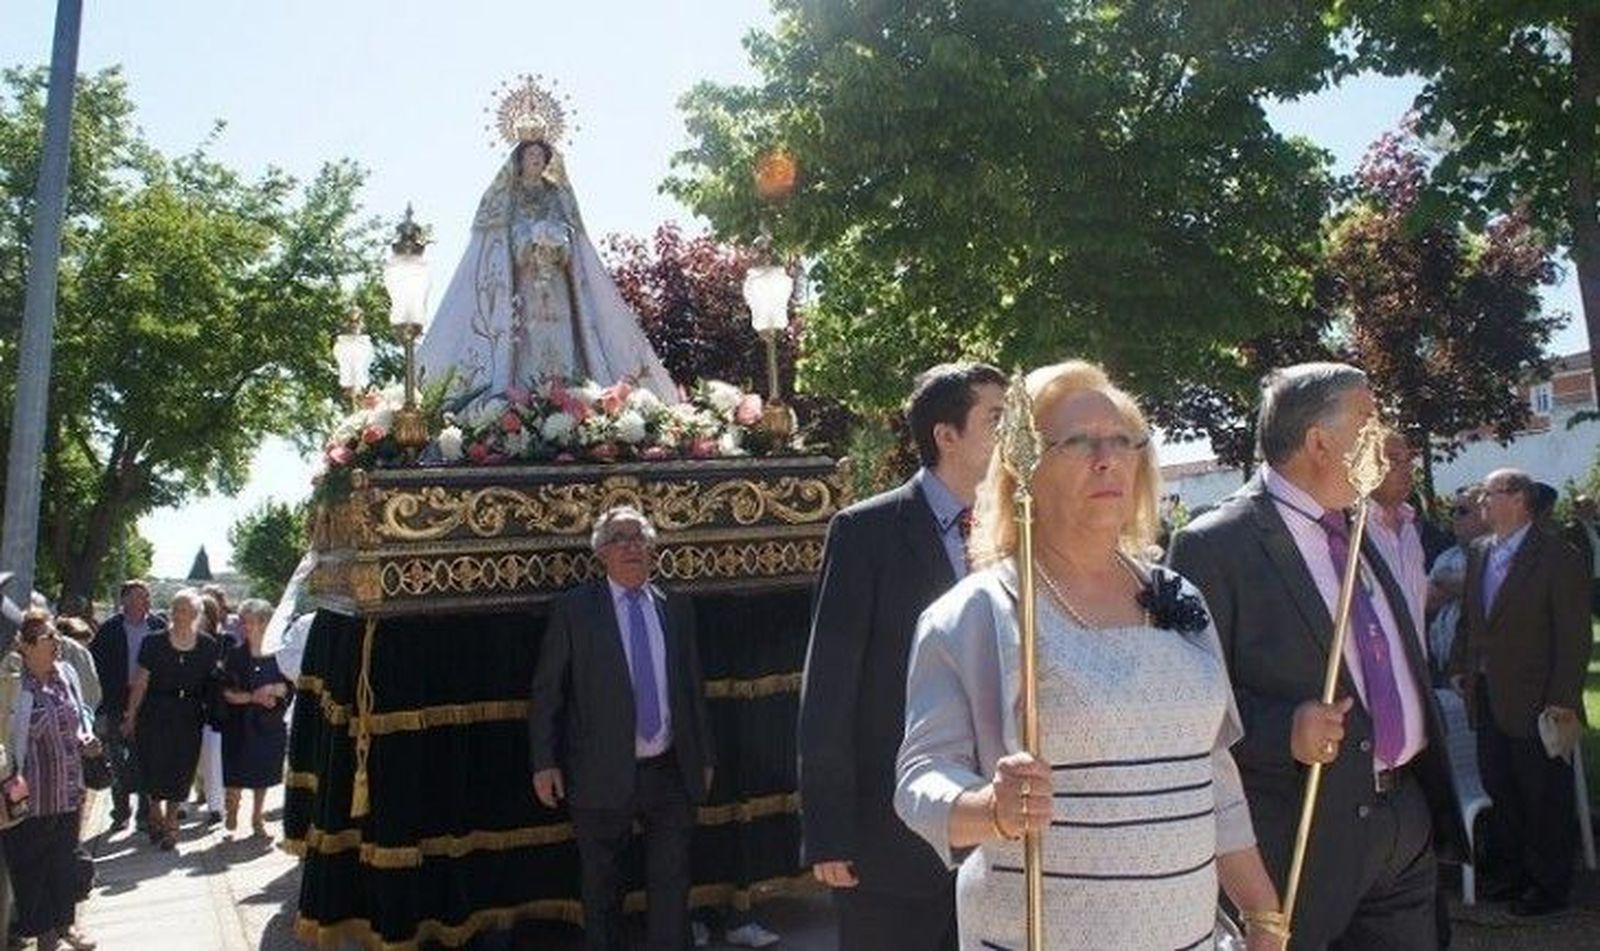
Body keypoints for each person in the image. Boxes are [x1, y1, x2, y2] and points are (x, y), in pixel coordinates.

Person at [895, 360, 1283, 950]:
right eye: (1078, 442)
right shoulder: (982, 611)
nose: (1107, 458)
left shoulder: (1178, 595)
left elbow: (1213, 776)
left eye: (1122, 441)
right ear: (1024, 468)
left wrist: (1261, 913)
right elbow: (920, 780)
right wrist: (990, 808)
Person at [1168, 362, 1464, 948]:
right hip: (1299, 829)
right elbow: (1187, 704)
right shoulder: (1213, 544)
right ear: (1320, 440)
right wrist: (1284, 730)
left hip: (1405, 818)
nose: (1381, 435)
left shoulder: (1357, 525)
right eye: (1368, 420)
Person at [799, 362, 1006, 951]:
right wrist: (829, 832)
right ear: (947, 436)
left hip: (1004, 836)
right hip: (890, 841)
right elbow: (830, 688)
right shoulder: (866, 533)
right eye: (997, 419)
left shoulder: (1023, 535)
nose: (1015, 435)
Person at [528, 506, 715, 951]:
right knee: (602, 889)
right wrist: (544, 762)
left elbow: (691, 688)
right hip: (599, 772)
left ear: (651, 549)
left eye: (638, 537)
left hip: (668, 771)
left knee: (671, 885)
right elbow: (547, 691)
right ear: (601, 554)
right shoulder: (575, 610)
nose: (631, 545)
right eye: (619, 538)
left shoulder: (676, 606)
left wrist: (704, 755)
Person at [417, 82, 677, 402]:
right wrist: (527, 239)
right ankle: (525, 395)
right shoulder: (506, 198)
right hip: (522, 283)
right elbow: (497, 246)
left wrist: (558, 241)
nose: (537, 159)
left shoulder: (557, 194)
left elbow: (573, 239)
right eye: (531, 155)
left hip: (556, 284)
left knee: (561, 335)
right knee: (526, 338)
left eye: (541, 155)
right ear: (520, 159)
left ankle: (564, 394)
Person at [1449, 467, 1590, 916]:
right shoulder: (1479, 553)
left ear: (1519, 499)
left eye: (1489, 494)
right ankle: (1511, 875)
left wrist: (1562, 700)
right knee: (1503, 788)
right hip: (1489, 695)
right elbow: (1470, 620)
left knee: (1543, 795)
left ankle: (1548, 886)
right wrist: (1459, 665)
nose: (1481, 503)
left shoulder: (1557, 557)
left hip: (1539, 699)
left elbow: (1573, 637)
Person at [4, 610, 98, 951]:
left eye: (56, 637)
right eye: (48, 638)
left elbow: (81, 711)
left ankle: (65, 926)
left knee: (64, 862)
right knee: (32, 865)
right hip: (31, 794)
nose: (57, 643)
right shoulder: (17, 685)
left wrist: (86, 735)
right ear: (26, 647)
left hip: (68, 788)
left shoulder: (65, 673)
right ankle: (45, 935)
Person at [121, 589, 222, 850]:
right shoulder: (153, 642)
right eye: (177, 610)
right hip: (155, 711)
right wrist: (131, 715)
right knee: (154, 763)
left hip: (189, 713)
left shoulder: (208, 645)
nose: (180, 616)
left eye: (187, 611)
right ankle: (154, 809)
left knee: (182, 765)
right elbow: (141, 682)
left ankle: (171, 822)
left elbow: (213, 684)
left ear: (197, 615)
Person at [88, 580, 166, 833]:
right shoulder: (109, 630)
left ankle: (145, 813)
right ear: (125, 601)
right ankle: (120, 812)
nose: (146, 601)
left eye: (147, 596)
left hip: (149, 704)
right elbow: (95, 669)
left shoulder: (158, 627)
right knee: (118, 761)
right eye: (139, 597)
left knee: (146, 758)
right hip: (116, 703)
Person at [217, 599, 293, 838]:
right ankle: (233, 806)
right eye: (243, 621)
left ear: (265, 623)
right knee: (236, 768)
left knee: (264, 770)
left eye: (250, 621)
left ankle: (257, 816)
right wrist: (253, 697)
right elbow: (226, 692)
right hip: (239, 723)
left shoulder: (279, 656)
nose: (245, 626)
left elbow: (289, 687)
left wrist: (272, 690)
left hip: (269, 724)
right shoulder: (235, 656)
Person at [1366, 432, 1427, 642]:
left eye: (1408, 460)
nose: (1406, 469)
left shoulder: (1410, 529)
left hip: (1415, 668)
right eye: (1393, 460)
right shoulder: (1352, 529)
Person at [1425, 486, 1487, 684]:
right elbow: (1427, 601)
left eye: (1463, 511)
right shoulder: (1447, 557)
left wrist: (1445, 580)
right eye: (1453, 511)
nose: (1455, 517)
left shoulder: (1503, 551)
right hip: (1447, 670)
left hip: (1489, 668)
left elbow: (1491, 588)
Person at [1561, 494, 1600, 616]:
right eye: (1588, 505)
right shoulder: (1570, 530)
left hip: (1598, 577)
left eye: (1593, 505)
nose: (1593, 508)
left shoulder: (1596, 528)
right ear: (1577, 509)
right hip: (1585, 579)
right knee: (1584, 614)